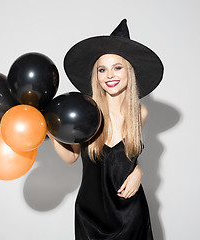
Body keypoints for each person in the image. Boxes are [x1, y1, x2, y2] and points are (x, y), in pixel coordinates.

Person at [47, 19, 164, 240]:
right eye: (102, 69)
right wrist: (51, 131)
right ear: (96, 75)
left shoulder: (140, 113)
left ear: (129, 72)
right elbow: (71, 158)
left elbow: (126, 157)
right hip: (90, 216)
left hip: (130, 214)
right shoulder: (86, 111)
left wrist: (138, 171)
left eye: (117, 67)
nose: (109, 75)